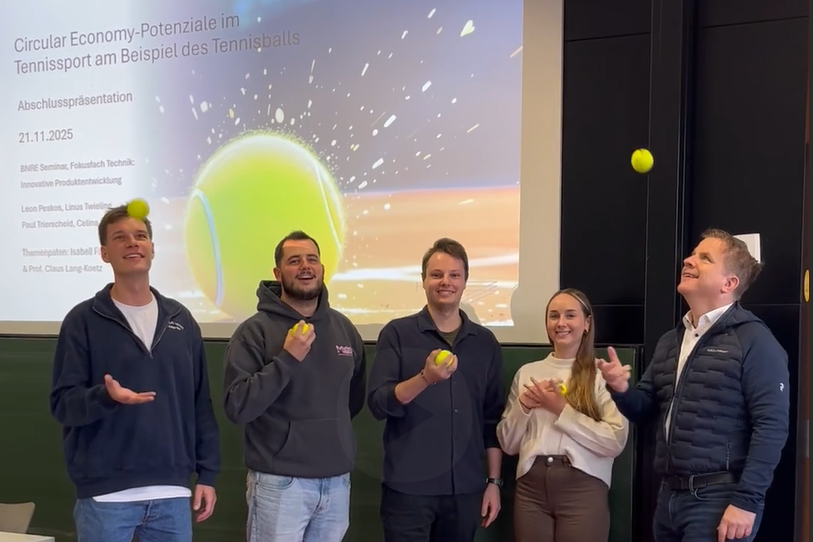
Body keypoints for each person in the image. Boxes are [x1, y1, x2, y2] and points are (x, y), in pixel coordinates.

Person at [598, 228, 790, 542]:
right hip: (669, 497)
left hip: (720, 498)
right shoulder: (671, 340)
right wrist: (620, 389)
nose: (688, 260)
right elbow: (646, 408)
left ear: (729, 283)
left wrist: (746, 501)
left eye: (704, 258)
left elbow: (771, 426)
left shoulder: (755, 340)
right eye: (692, 254)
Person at [49, 203, 220, 542]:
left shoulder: (180, 319)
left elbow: (199, 403)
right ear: (104, 253)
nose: (132, 243)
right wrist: (104, 396)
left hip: (172, 492)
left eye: (140, 236)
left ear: (152, 249)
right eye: (120, 238)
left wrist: (208, 474)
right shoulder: (83, 320)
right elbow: (62, 404)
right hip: (106, 497)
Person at [222, 230, 366, 542]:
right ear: (277, 273)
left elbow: (352, 400)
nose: (305, 266)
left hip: (337, 483)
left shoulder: (344, 329)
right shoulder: (254, 331)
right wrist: (287, 359)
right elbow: (237, 405)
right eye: (294, 261)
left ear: (322, 269)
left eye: (312, 259)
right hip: (280, 483)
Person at [367, 238, 505, 542]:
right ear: (423, 281)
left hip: (465, 492)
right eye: (437, 274)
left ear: (465, 281)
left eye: (454, 275)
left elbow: (492, 420)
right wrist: (425, 378)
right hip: (408, 492)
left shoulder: (485, 344)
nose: (446, 282)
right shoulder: (396, 334)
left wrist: (493, 481)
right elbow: (378, 404)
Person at [497, 288, 628, 542]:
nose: (561, 323)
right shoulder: (527, 372)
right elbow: (508, 444)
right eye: (554, 316)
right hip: (530, 488)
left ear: (587, 323)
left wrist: (560, 409)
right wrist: (524, 405)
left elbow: (615, 441)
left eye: (570, 315)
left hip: (583, 487)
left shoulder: (601, 374)